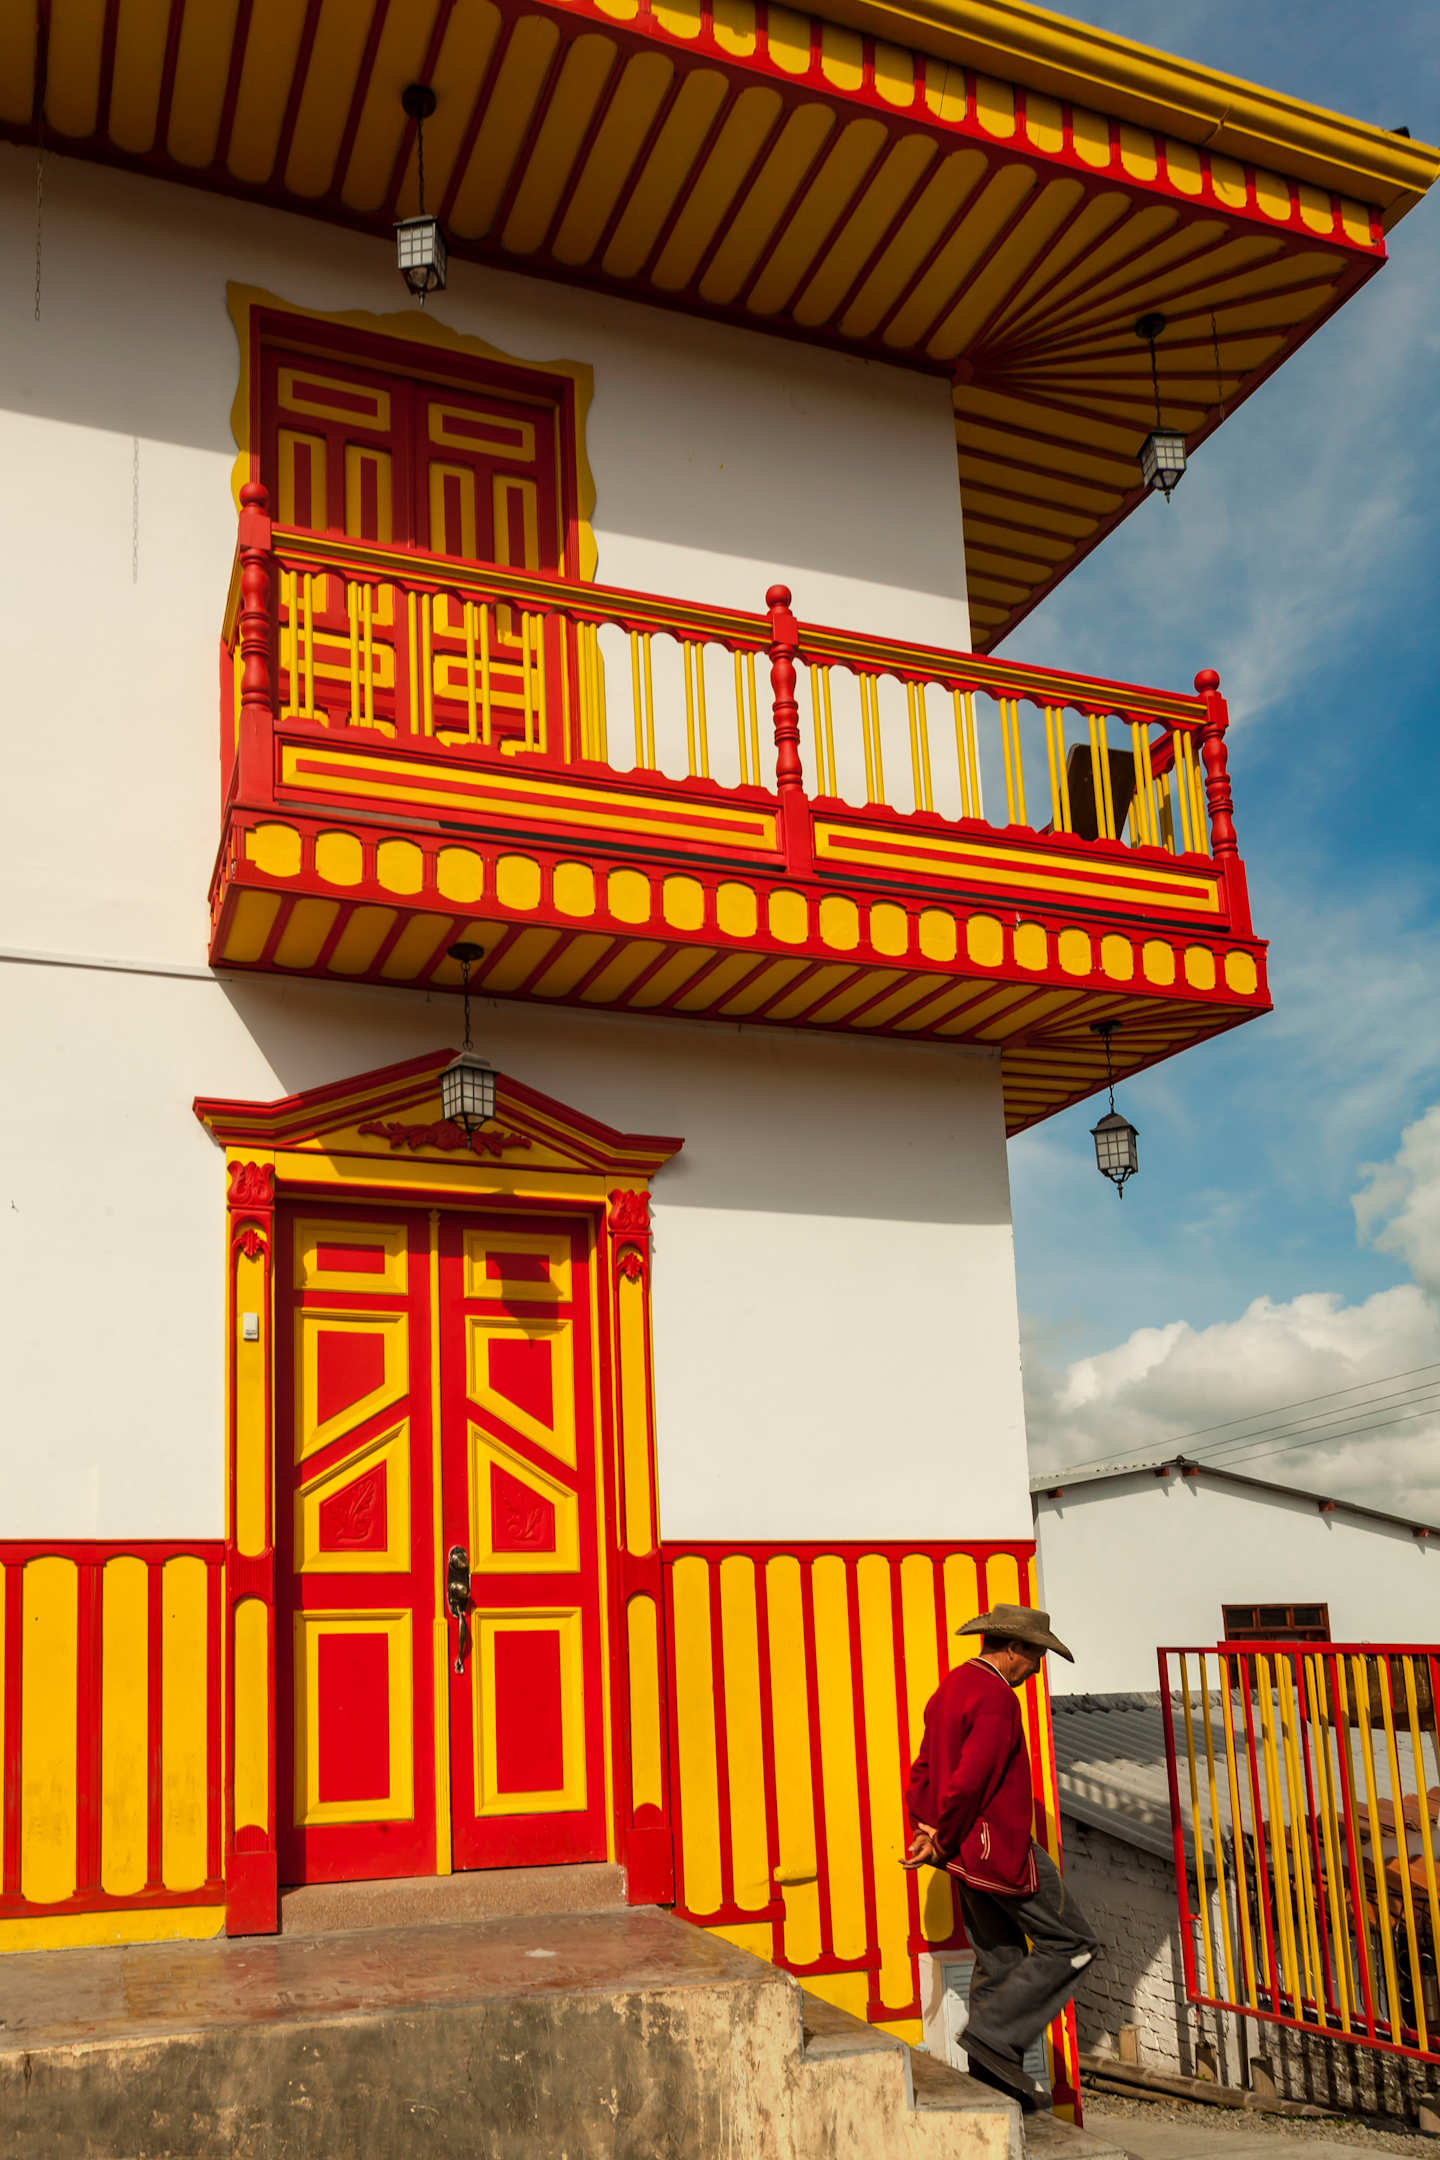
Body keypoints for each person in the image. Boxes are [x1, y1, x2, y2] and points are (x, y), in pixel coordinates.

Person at [903, 1603, 1100, 2111]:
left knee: (1000, 1957)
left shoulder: (950, 1687)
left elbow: (923, 1766)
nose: (1037, 1669)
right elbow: (973, 1776)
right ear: (1015, 1650)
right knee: (1074, 1943)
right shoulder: (995, 1698)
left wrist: (927, 1829)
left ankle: (991, 2085)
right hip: (998, 1846)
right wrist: (943, 1832)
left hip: (962, 1852)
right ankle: (992, 2037)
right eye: (1036, 1657)